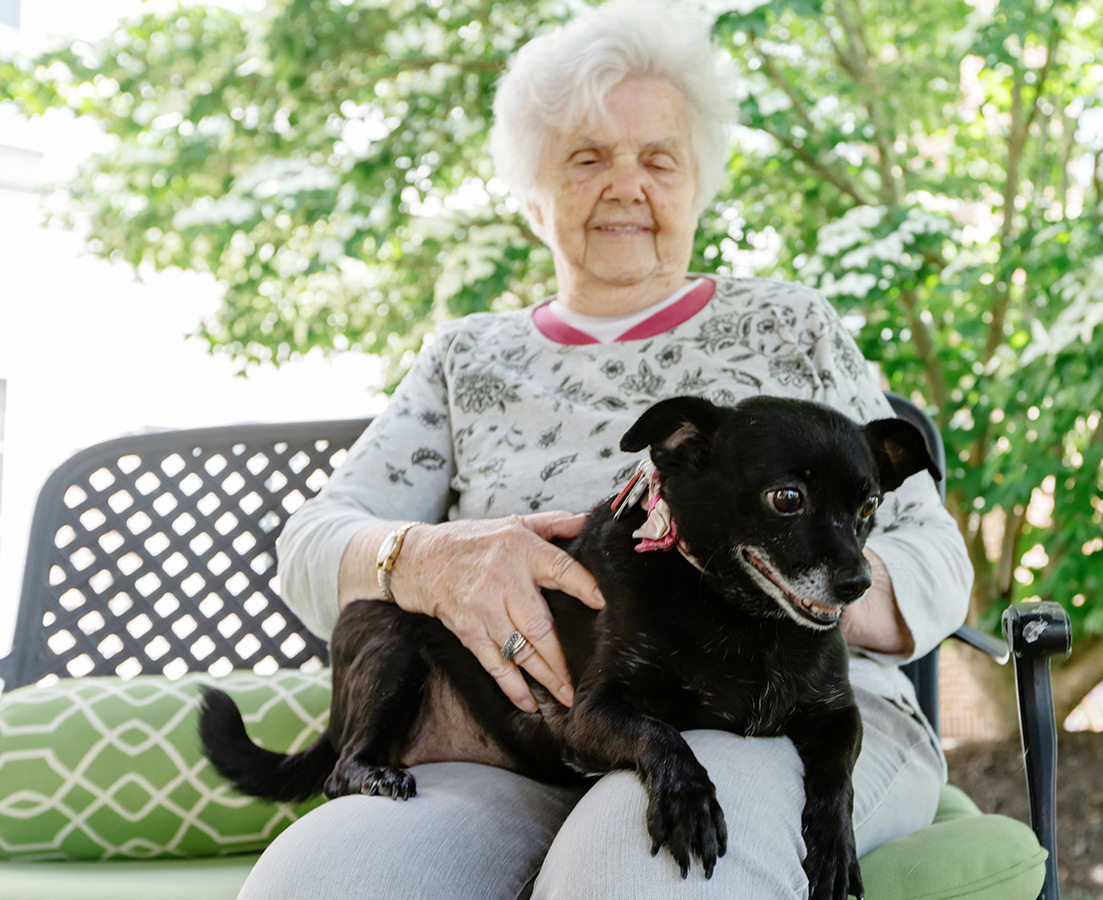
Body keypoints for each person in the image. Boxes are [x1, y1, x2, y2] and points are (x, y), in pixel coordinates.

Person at [239, 1, 972, 897]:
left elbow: (934, 556)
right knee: (324, 882)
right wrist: (422, 557)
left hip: (780, 726)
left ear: (697, 181)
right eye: (587, 157)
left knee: (644, 868)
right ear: (532, 192)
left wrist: (777, 581)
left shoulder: (788, 326)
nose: (626, 184)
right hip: (518, 746)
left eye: (658, 159)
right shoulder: (466, 358)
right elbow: (313, 543)